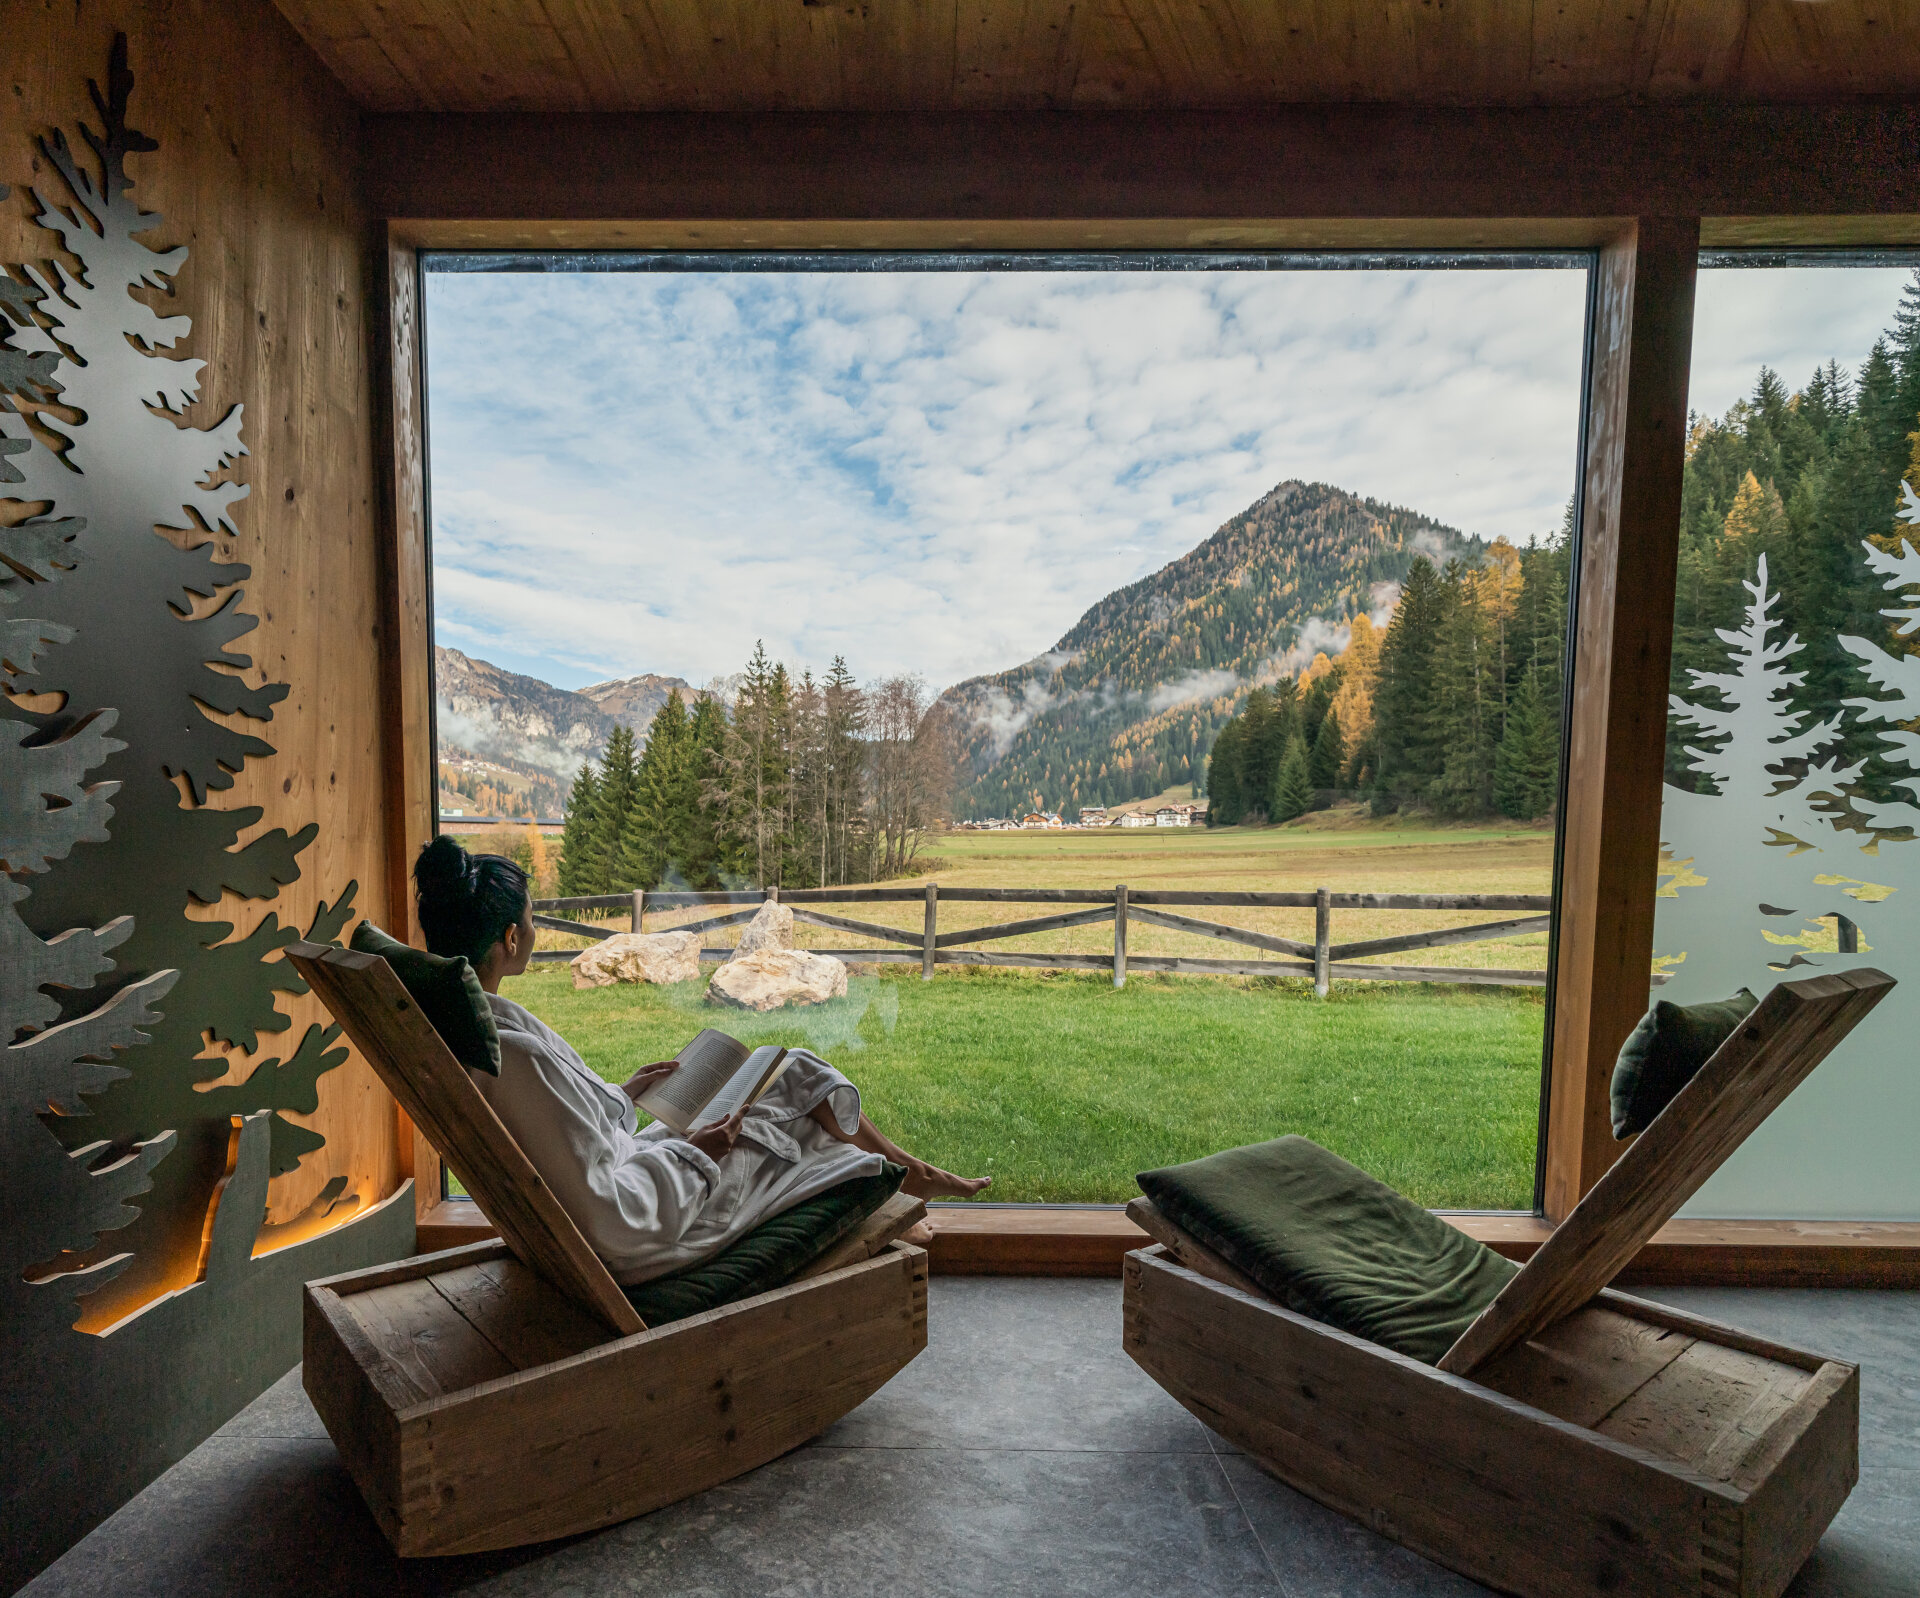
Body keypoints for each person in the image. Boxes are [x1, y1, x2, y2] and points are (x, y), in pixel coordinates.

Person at [411, 837, 988, 1286]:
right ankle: (902, 1184)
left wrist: (620, 1095)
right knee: (792, 1097)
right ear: (511, 939)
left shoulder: (471, 1033)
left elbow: (564, 1136)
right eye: (533, 920)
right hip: (655, 1229)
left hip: (636, 1179)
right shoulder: (511, 1057)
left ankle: (904, 1182)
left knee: (781, 1075)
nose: (536, 930)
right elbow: (616, 1221)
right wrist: (699, 1154)